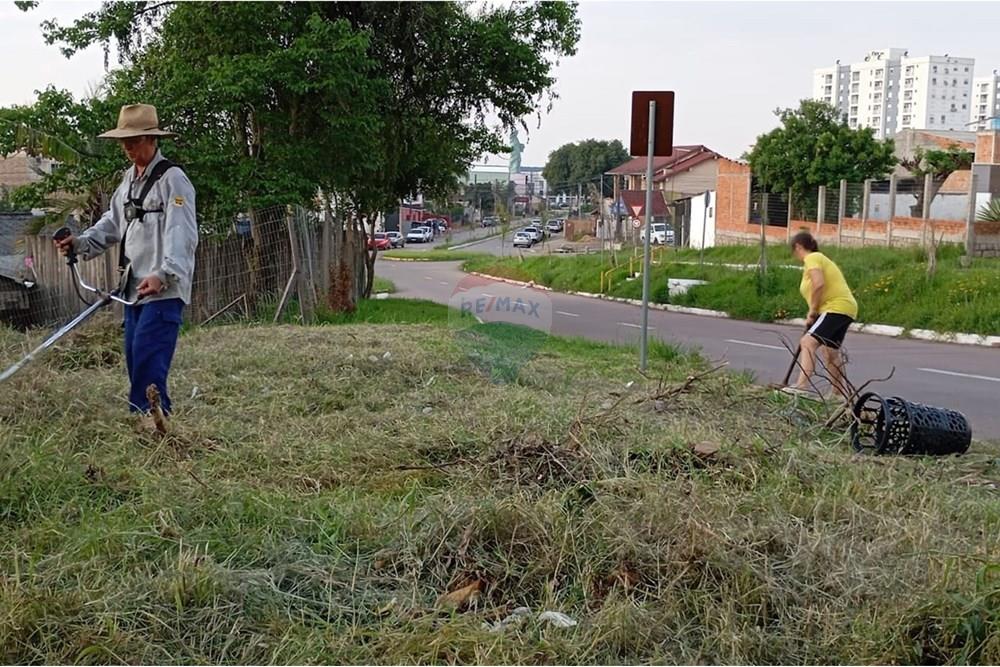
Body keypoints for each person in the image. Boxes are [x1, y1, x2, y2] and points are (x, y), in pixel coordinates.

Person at [55, 104, 197, 423]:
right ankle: (151, 421)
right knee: (136, 358)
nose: (128, 148)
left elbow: (182, 233)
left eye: (133, 141)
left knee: (148, 357)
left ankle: (150, 424)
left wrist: (164, 273)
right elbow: (112, 222)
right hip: (134, 289)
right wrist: (80, 243)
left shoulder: (173, 180)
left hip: (163, 289)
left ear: (152, 139)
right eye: (124, 142)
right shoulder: (129, 181)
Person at [785, 231, 857, 400]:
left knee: (807, 342)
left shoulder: (812, 258)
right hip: (845, 308)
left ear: (798, 247)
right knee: (830, 352)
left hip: (834, 307)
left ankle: (801, 387)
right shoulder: (819, 259)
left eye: (793, 251)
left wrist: (812, 310)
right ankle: (838, 395)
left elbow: (819, 284)